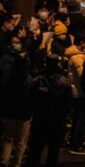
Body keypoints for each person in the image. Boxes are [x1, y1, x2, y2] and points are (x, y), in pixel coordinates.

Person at [27, 56, 72, 167]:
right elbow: (69, 103)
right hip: (57, 120)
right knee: (53, 151)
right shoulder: (64, 82)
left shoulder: (38, 80)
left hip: (40, 119)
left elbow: (31, 99)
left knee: (35, 150)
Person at [0, 34, 33, 167]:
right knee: (21, 141)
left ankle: (4, 161)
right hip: (24, 113)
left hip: (10, 111)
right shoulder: (29, 81)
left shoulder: (10, 79)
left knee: (8, 139)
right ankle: (17, 163)